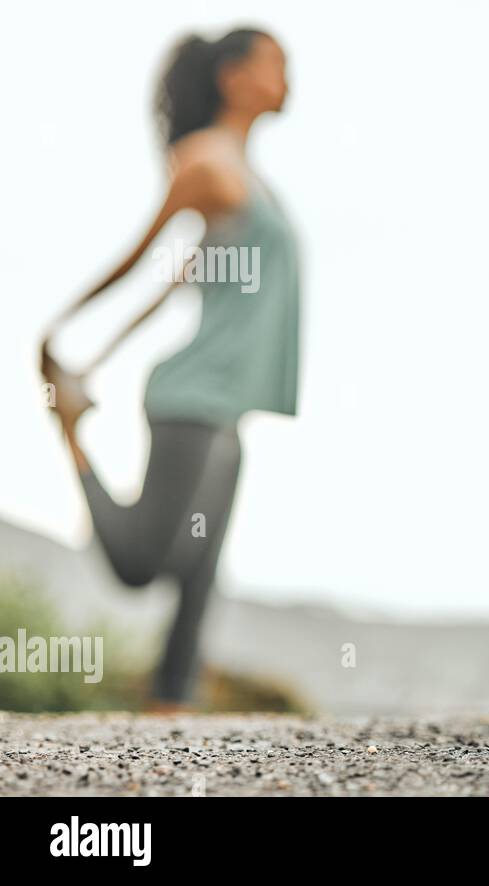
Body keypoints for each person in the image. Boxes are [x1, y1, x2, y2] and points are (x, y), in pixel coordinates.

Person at [40, 27, 300, 709]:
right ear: (233, 78)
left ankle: (169, 712)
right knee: (139, 564)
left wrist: (93, 360)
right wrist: (61, 329)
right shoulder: (205, 163)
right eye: (275, 61)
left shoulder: (248, 178)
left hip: (227, 402)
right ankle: (69, 436)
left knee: (200, 569)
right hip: (189, 395)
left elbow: (175, 285)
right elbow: (140, 259)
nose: (287, 73)